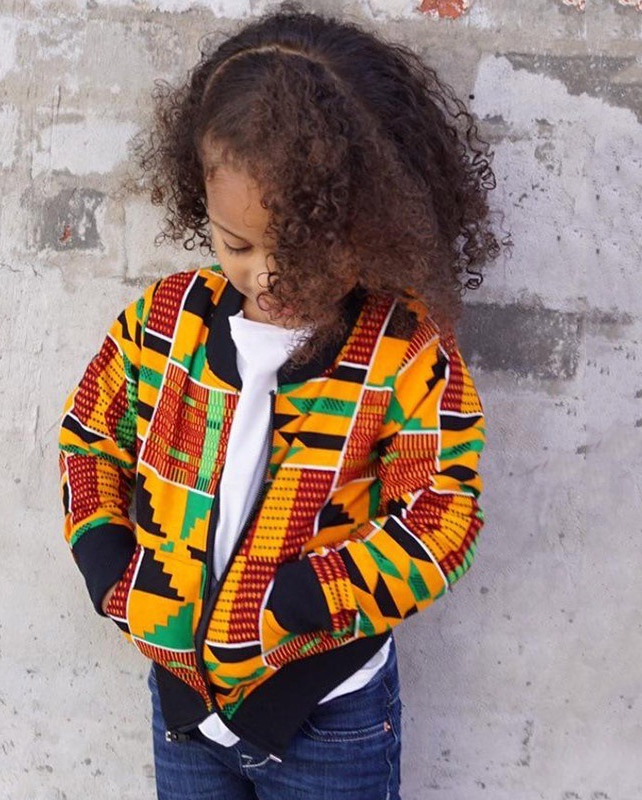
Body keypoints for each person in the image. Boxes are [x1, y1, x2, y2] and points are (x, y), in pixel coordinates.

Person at [57, 3, 505, 797]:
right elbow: (89, 435)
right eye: (236, 244)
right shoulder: (164, 323)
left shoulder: (403, 351)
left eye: (299, 249)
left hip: (329, 716)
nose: (266, 276)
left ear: (368, 225)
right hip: (182, 707)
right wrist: (106, 558)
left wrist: (310, 597)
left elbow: (445, 513)